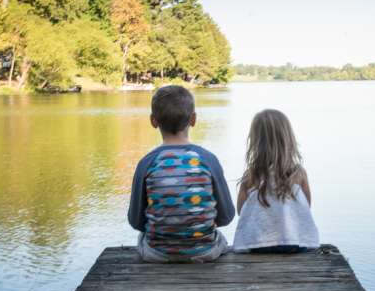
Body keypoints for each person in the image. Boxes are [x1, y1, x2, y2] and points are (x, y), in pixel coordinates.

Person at [128, 85, 235, 262]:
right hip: (204, 252)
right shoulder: (208, 159)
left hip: (158, 254)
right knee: (221, 239)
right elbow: (226, 216)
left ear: (153, 121)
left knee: (141, 238)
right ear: (193, 119)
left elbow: (136, 221)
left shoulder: (147, 163)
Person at [233, 109, 319, 253]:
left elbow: (241, 211)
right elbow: (306, 207)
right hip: (294, 244)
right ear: (288, 139)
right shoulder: (299, 174)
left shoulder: (251, 176)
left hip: (258, 245)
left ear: (255, 141)